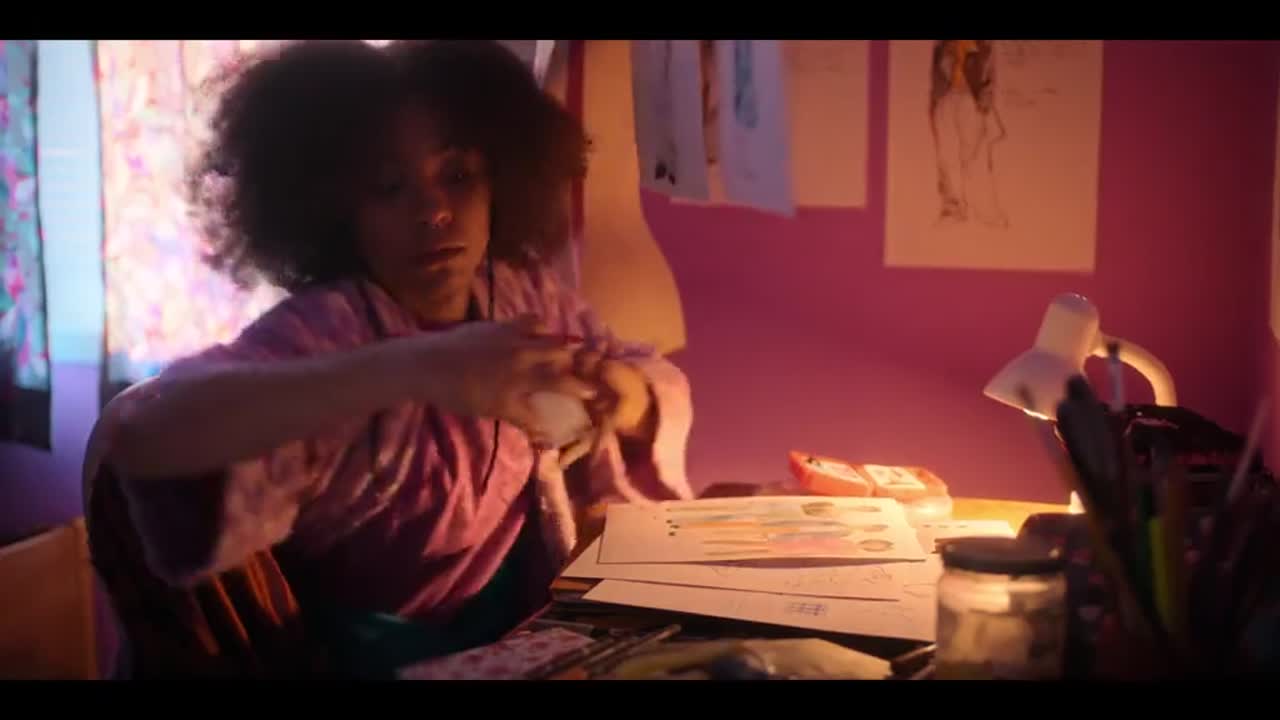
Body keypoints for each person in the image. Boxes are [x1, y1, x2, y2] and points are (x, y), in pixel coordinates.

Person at [89, 39, 694, 677]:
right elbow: (144, 435)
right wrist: (420, 368)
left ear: (501, 177)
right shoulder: (326, 329)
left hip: (527, 639)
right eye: (387, 187)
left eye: (457, 175)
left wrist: (624, 394)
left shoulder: (522, 295)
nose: (433, 212)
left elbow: (642, 381)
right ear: (336, 207)